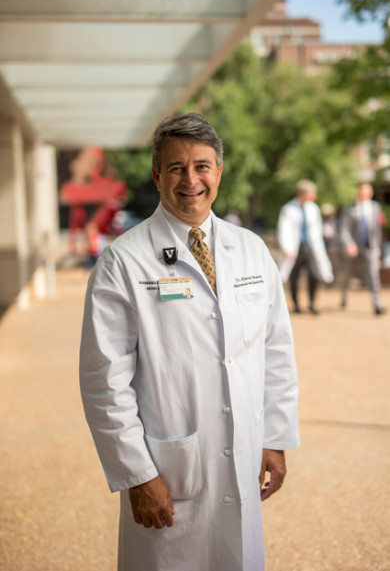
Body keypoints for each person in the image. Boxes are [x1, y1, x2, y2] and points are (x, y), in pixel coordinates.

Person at [79, 113, 300, 571]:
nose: (191, 179)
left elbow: (275, 349)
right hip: (168, 467)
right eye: (176, 167)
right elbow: (104, 379)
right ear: (157, 175)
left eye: (202, 166)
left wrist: (275, 436)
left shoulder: (252, 250)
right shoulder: (124, 261)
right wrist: (138, 474)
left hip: (240, 458)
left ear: (219, 172)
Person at [277, 179, 334, 315]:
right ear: (303, 193)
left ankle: (312, 303)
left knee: (314, 274)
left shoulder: (313, 208)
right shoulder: (288, 208)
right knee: (294, 276)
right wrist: (287, 248)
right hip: (295, 248)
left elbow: (317, 228)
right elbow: (283, 229)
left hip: (311, 246)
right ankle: (296, 304)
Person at [339, 182, 386, 315]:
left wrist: (378, 249)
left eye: (366, 190)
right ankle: (344, 297)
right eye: (361, 190)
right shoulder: (349, 208)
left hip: (370, 247)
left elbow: (377, 231)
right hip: (353, 248)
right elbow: (344, 229)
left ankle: (377, 304)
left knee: (373, 276)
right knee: (347, 275)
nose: (363, 193)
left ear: (370, 193)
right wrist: (348, 244)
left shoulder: (375, 207)